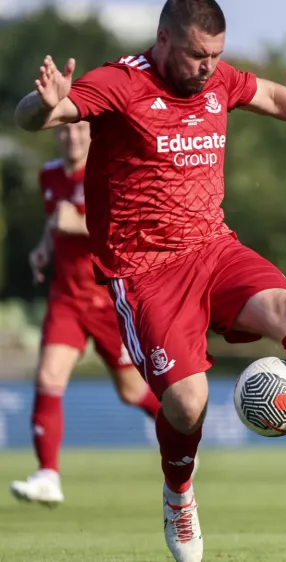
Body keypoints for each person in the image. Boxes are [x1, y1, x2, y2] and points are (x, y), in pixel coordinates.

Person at [14, 1, 286, 560]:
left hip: (213, 246)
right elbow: (38, 118)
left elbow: (272, 96)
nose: (208, 67)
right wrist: (45, 101)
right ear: (163, 40)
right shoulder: (122, 82)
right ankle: (179, 495)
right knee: (186, 402)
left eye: (217, 56)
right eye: (197, 55)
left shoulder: (218, 78)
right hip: (144, 271)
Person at [9, 121, 161, 507]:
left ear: (90, 133)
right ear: (55, 135)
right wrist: (44, 247)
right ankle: (48, 475)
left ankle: (180, 429)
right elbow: (55, 220)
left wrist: (73, 224)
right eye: (63, 132)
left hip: (109, 299)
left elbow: (126, 232)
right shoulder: (49, 174)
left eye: (78, 130)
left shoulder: (109, 171)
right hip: (67, 299)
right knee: (48, 376)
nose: (71, 137)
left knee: (132, 392)